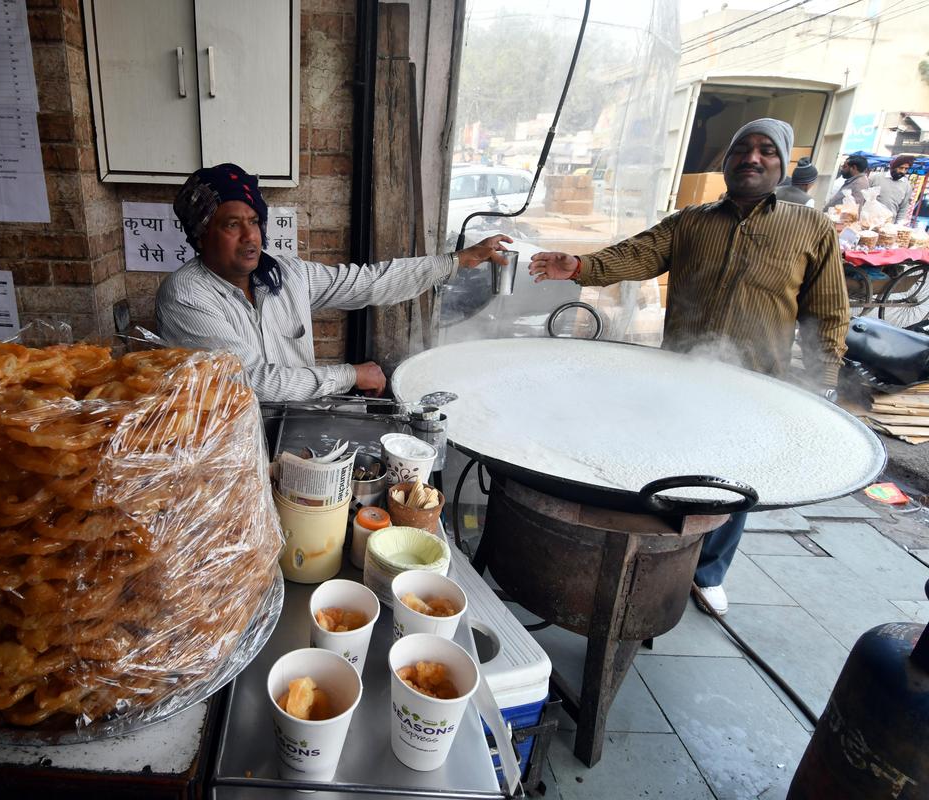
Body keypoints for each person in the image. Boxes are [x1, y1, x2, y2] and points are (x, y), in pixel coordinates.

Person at [527, 118, 849, 617]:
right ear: (727, 161)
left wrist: (824, 382)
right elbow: (637, 254)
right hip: (680, 374)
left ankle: (708, 571)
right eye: (743, 148)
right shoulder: (691, 221)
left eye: (766, 151)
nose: (753, 158)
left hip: (756, 383)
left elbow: (827, 313)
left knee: (735, 479)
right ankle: (657, 554)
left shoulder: (810, 228)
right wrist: (582, 267)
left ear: (782, 164)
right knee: (673, 464)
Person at [156, 163, 511, 402]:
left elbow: (369, 282)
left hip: (291, 433)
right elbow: (249, 381)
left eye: (254, 221)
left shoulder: (282, 275)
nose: (251, 237)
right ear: (201, 235)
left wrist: (457, 261)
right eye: (232, 225)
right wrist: (349, 375)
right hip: (224, 453)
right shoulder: (185, 295)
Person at [871, 154, 916, 223]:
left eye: (906, 169)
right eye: (901, 168)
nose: (903, 171)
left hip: (889, 225)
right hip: (870, 221)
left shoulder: (907, 186)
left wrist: (898, 225)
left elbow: (903, 208)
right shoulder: (875, 178)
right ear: (893, 167)